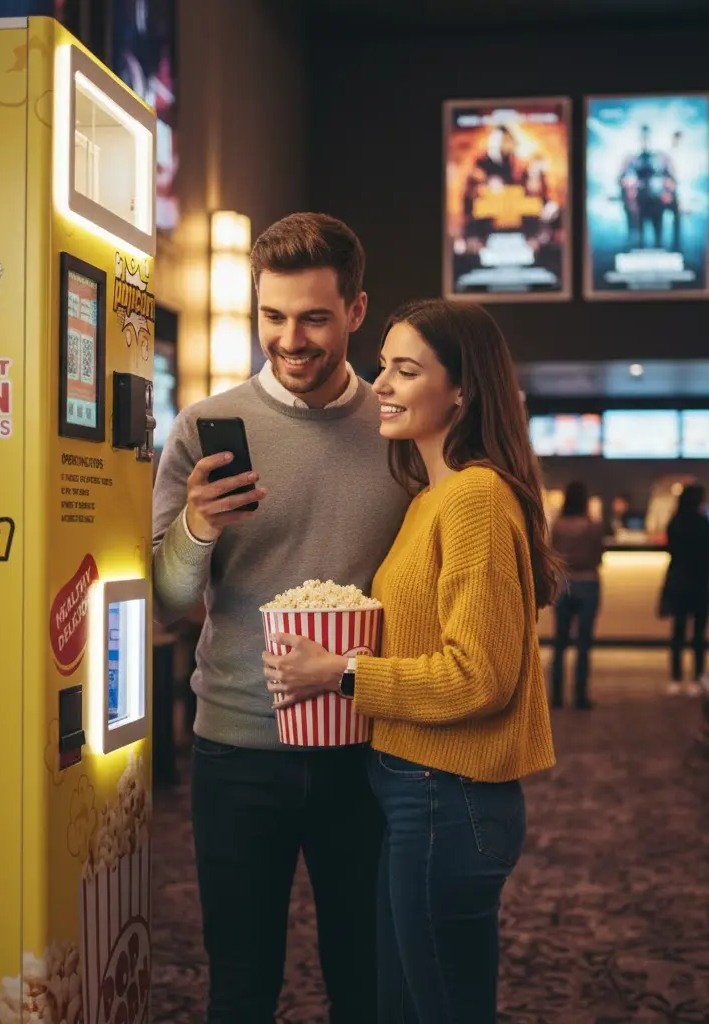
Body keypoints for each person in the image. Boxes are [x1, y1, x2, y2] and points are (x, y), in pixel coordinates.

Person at [262, 298, 558, 1023]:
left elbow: (479, 677)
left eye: (406, 370)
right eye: (383, 366)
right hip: (417, 789)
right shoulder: (432, 496)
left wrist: (338, 672)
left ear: (462, 390)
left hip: (448, 796)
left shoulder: (474, 498)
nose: (383, 386)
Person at [151, 213, 410, 1023]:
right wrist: (197, 527)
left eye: (314, 318)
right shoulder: (203, 430)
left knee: (365, 981)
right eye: (273, 316)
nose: (290, 340)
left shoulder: (399, 430)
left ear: (356, 311)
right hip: (235, 748)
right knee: (239, 984)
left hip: (367, 749)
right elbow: (168, 601)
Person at [663, 484, 709, 696]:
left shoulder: (675, 523)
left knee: (677, 632)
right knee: (699, 634)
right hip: (700, 582)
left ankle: (675, 678)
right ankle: (698, 678)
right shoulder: (707, 525)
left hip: (679, 581)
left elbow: (670, 549)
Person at [550, 480, 604, 709]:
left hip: (563, 585)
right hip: (588, 583)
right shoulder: (593, 527)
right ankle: (580, 696)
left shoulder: (557, 525)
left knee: (560, 642)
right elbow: (598, 557)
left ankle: (556, 695)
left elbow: (551, 554)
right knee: (584, 643)